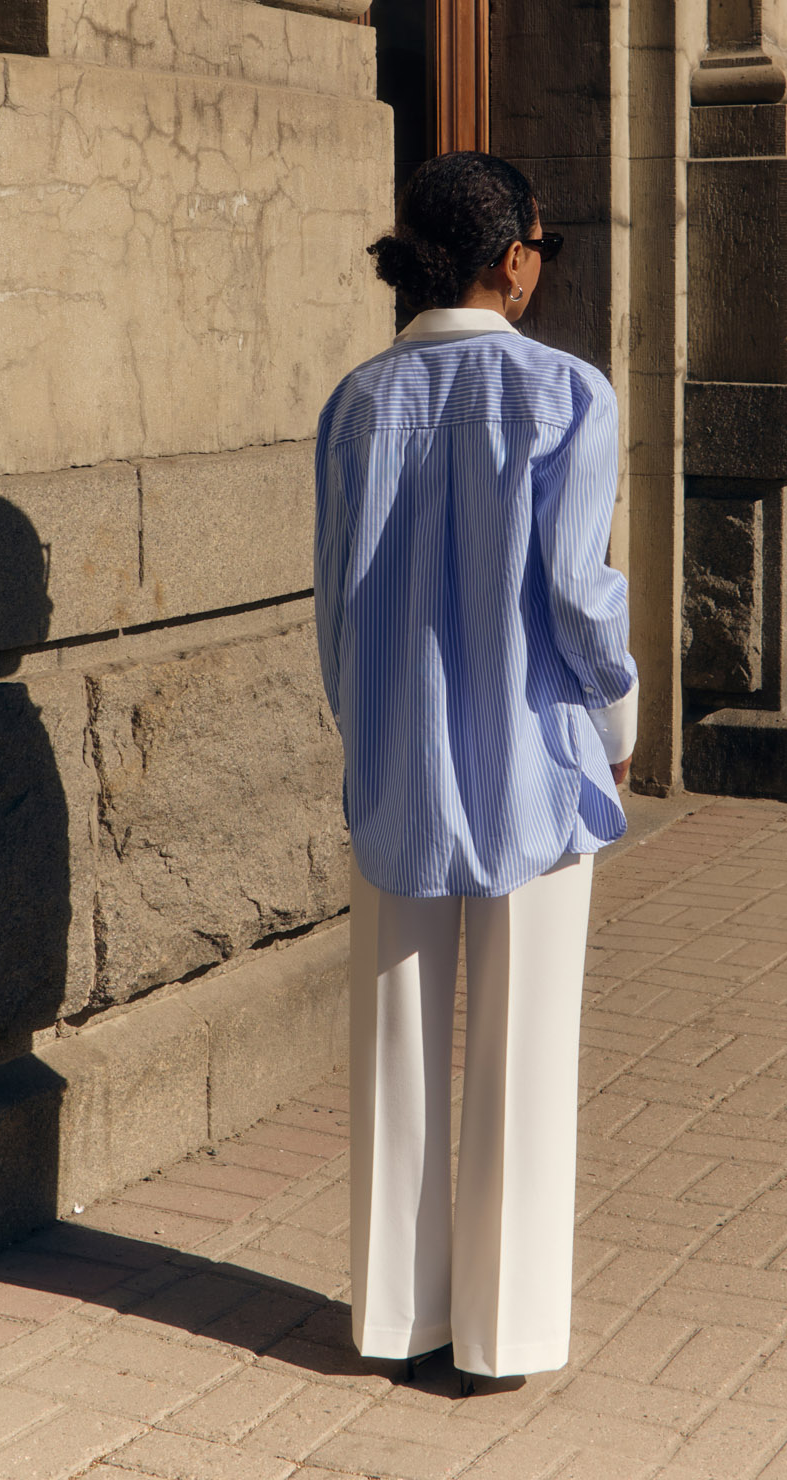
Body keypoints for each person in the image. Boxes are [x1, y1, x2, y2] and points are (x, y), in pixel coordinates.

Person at [314, 150, 637, 1385]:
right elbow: (576, 591)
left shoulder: (356, 400)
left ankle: (395, 1312)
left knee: (395, 1038)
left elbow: (339, 610)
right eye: (541, 245)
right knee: (522, 1045)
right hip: (537, 761)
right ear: (512, 257)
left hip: (396, 751)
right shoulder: (568, 393)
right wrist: (619, 714)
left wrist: (365, 734)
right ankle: (504, 1330)